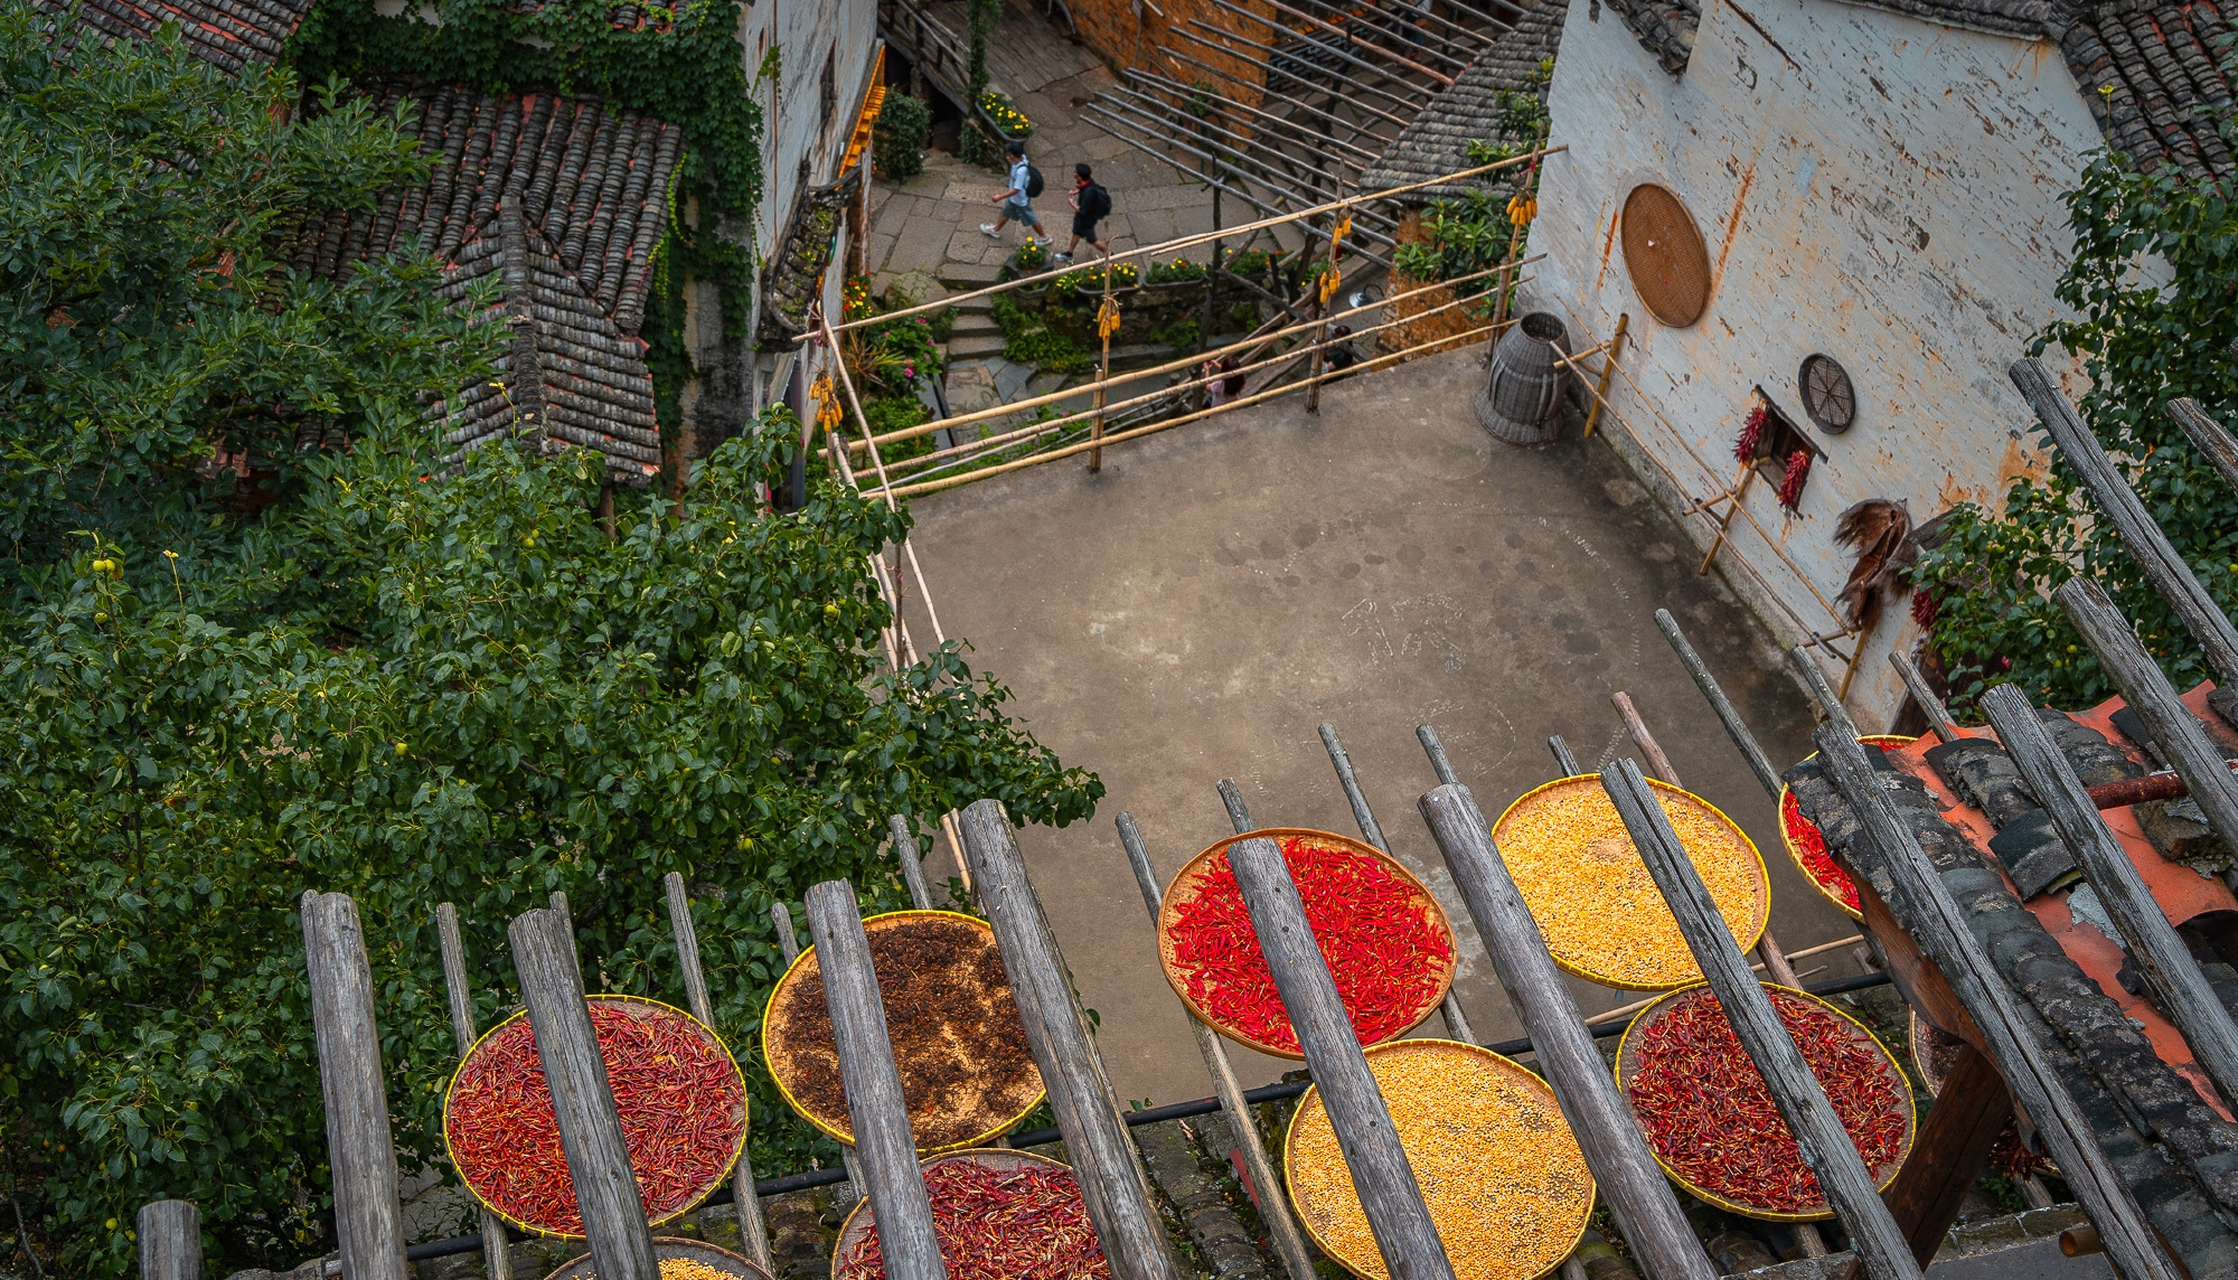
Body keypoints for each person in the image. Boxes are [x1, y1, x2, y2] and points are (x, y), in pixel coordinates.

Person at [980, 141, 1048, 244]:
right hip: (1014, 199)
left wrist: (1000, 197)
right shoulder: (1023, 159)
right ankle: (996, 230)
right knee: (1006, 212)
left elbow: (1016, 190)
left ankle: (1044, 238)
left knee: (1032, 219)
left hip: (1020, 201)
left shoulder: (1021, 171)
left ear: (1011, 155)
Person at [1054, 164, 1111, 264]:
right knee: (1076, 232)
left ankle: (1110, 256)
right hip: (1082, 219)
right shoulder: (1088, 181)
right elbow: (1083, 187)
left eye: (1075, 172)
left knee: (1093, 240)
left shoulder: (1088, 193)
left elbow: (1082, 210)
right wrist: (1076, 191)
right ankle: (1069, 254)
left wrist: (1072, 203)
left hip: (1086, 220)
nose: (1073, 173)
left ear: (1080, 177)